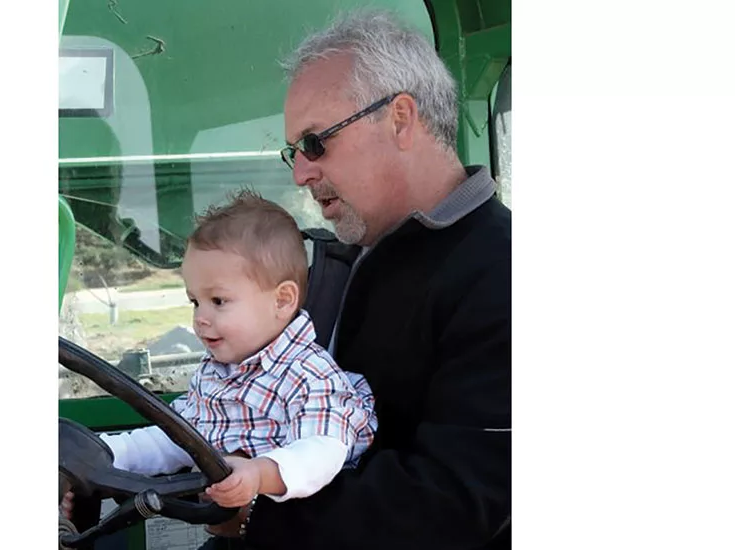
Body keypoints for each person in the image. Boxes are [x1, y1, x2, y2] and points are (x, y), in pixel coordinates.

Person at [205, 9, 511, 550]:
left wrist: (256, 515)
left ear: (400, 119)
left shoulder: (502, 271)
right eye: (294, 151)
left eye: (315, 142)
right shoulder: (339, 259)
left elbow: (456, 499)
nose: (301, 172)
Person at [94, 190, 377, 509]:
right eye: (195, 301)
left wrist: (259, 474)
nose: (200, 318)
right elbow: (178, 437)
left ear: (282, 300)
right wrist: (105, 453)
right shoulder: (217, 373)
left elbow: (322, 450)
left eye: (218, 301)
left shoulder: (310, 376)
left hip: (310, 523)